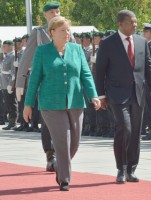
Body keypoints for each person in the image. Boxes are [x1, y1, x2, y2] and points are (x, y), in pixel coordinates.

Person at [23, 16, 101, 191]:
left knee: (74, 143)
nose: (67, 33)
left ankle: (59, 164)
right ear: (52, 32)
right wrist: (28, 104)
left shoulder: (76, 49)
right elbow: (34, 80)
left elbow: (86, 75)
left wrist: (93, 95)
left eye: (68, 30)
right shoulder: (42, 52)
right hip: (51, 104)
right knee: (62, 141)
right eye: (63, 30)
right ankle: (64, 179)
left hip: (75, 101)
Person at [95, 10, 151, 183]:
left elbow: (149, 66)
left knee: (136, 132)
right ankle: (120, 168)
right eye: (132, 22)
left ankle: (131, 169)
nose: (136, 25)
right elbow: (99, 71)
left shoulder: (141, 42)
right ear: (121, 24)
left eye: (136, 22)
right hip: (116, 94)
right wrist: (100, 96)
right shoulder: (108, 43)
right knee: (124, 127)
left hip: (138, 93)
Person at [15, 1, 75, 172]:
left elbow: (76, 55)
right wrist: (20, 81)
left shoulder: (68, 31)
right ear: (45, 16)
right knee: (48, 121)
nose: (55, 14)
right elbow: (27, 56)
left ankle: (63, 154)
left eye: (57, 11)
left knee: (68, 121)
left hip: (67, 84)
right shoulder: (39, 33)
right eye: (52, 12)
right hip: (46, 82)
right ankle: (51, 155)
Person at [1, 40, 18, 130]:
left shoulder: (13, 56)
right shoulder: (6, 56)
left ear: (10, 46)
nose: (3, 48)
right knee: (8, 103)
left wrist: (11, 84)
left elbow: (13, 72)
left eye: (4, 46)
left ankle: (13, 122)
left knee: (12, 103)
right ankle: (11, 122)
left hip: (9, 83)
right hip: (4, 83)